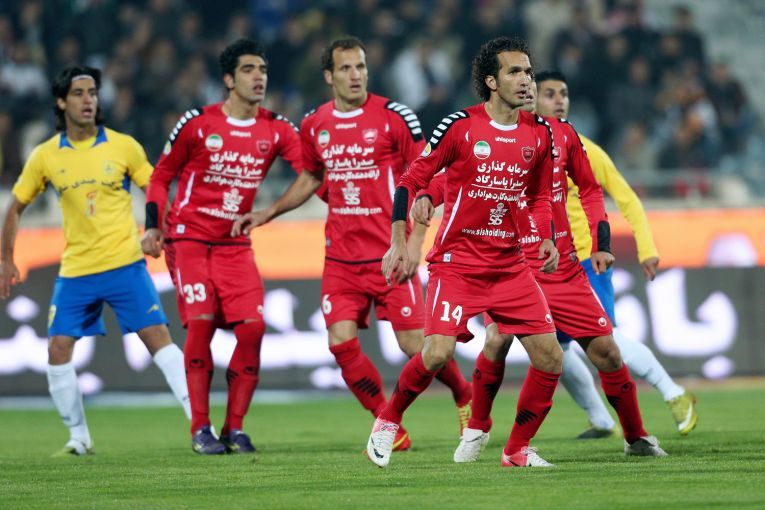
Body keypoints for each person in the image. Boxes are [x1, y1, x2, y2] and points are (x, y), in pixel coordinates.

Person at [232, 37, 472, 451]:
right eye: (346, 68)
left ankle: (463, 393)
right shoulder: (314, 124)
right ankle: (387, 424)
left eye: (360, 66)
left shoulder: (395, 117)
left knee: (415, 345)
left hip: (390, 253)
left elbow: (428, 178)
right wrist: (268, 213)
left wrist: (414, 242)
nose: (356, 74)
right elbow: (311, 177)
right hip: (341, 258)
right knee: (340, 343)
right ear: (329, 76)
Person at [414, 79, 667, 463]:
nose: (544, 94)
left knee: (607, 352)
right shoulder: (489, 134)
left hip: (563, 266)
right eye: (546, 91)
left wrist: (601, 243)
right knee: (497, 339)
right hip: (513, 264)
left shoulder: (565, 136)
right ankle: (478, 428)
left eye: (554, 90)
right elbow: (450, 177)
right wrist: (426, 195)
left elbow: (591, 189)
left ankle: (636, 437)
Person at [365, 36, 564, 469]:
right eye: (515, 72)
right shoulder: (459, 126)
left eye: (528, 72)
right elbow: (411, 179)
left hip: (510, 266)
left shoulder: (539, 132)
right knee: (436, 353)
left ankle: (516, 449)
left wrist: (546, 237)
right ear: (491, 81)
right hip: (458, 264)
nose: (526, 80)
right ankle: (388, 419)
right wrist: (399, 239)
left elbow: (539, 197)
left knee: (551, 357)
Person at [0, 65, 190, 456]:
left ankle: (200, 425)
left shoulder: (123, 146)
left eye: (92, 93)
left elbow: (155, 187)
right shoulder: (46, 155)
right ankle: (78, 437)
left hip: (125, 263)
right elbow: (15, 206)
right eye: (78, 93)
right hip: (77, 271)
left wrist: (156, 228)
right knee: (57, 349)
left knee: (159, 340)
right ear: (61, 102)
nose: (88, 100)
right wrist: (6, 259)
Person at [142, 39, 302, 455]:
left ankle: (234, 428)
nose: (258, 77)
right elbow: (161, 176)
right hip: (189, 239)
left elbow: (313, 173)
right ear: (229, 80)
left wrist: (272, 211)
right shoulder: (198, 123)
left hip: (235, 244)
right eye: (249, 70)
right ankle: (200, 428)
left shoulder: (277, 128)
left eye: (262, 69)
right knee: (201, 324)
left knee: (253, 329)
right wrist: (153, 225)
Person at [536, 70, 697, 436]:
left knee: (606, 338)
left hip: (585, 261)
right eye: (550, 94)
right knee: (553, 348)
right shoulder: (528, 149)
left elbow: (627, 199)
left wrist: (647, 248)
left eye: (564, 93)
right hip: (548, 266)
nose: (559, 100)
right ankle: (601, 419)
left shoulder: (585, 149)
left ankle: (674, 392)